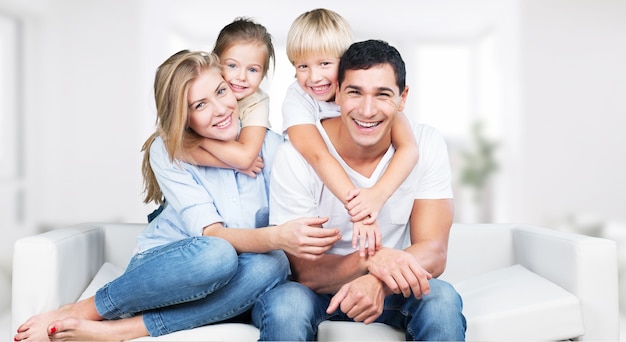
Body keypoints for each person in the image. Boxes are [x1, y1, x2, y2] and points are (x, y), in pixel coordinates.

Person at [13, 50, 340, 341]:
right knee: (217, 253)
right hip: (175, 269)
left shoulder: (273, 147)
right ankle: (87, 309)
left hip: (245, 281)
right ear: (182, 116)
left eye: (221, 91)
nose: (221, 109)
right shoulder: (169, 151)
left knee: (274, 267)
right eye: (200, 105)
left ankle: (125, 330)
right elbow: (214, 236)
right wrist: (277, 236)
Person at [252, 39, 466, 341]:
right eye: (355, 92)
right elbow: (305, 274)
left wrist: (378, 281)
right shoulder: (295, 155)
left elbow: (434, 252)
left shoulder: (426, 143)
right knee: (286, 305)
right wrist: (367, 261)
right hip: (316, 291)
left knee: (440, 299)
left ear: (402, 98)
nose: (367, 110)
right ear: (337, 92)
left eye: (383, 94)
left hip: (389, 287)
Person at [282, 9, 420, 257]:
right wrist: (360, 212)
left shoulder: (368, 94)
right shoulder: (298, 98)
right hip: (311, 190)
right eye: (302, 65)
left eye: (325, 63)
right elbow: (317, 155)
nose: (314, 77)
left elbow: (409, 149)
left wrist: (376, 197)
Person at [177, 17, 275, 177]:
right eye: (232, 65)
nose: (241, 76)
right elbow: (178, 150)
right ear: (215, 62)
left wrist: (197, 138)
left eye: (253, 70)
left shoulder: (257, 102)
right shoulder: (196, 90)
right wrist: (232, 166)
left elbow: (245, 159)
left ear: (263, 74)